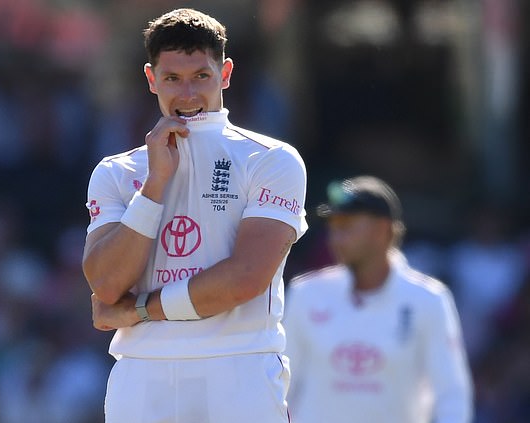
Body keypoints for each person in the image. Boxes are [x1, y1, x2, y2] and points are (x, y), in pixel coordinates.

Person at [82, 8, 307, 423]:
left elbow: (244, 280)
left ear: (225, 74)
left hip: (239, 363)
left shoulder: (271, 159)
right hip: (142, 369)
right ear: (151, 79)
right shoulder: (117, 171)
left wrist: (141, 310)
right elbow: (107, 283)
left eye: (200, 76)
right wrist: (155, 186)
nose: (187, 94)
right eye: (172, 79)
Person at [283, 176, 473, 423]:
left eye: (347, 226)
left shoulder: (429, 300)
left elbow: (451, 395)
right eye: (333, 227)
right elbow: (281, 386)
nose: (335, 237)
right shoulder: (306, 293)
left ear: (383, 230)